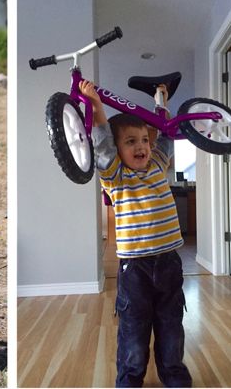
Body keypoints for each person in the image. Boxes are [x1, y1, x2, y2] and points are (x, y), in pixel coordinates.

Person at [80, 79, 192, 387]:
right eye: (130, 142)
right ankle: (129, 380)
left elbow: (166, 135)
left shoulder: (157, 164)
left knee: (171, 326)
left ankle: (174, 375)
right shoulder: (115, 176)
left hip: (169, 262)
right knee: (134, 331)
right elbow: (102, 145)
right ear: (118, 150)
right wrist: (96, 106)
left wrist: (162, 103)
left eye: (144, 139)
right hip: (135, 270)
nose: (141, 146)